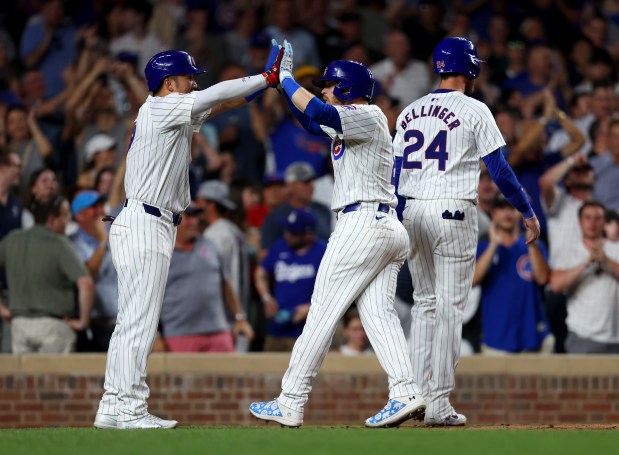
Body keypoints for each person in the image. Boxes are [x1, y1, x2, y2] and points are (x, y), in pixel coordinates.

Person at [94, 45, 284, 430]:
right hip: (147, 222)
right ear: (169, 83)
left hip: (147, 222)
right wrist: (264, 77)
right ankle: (130, 407)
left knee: (130, 321)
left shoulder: (169, 112)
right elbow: (213, 95)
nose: (194, 81)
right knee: (139, 322)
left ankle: (112, 405)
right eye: (188, 76)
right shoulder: (162, 107)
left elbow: (220, 105)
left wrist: (263, 87)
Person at [250, 41, 425, 429]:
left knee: (321, 315)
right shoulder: (351, 121)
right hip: (381, 227)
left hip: (363, 225)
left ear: (347, 88)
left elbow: (317, 109)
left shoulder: (368, 114)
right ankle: (406, 391)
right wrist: (282, 87)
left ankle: (291, 400)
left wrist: (290, 80)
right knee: (378, 315)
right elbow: (312, 120)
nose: (324, 89)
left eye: (329, 84)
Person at [393, 37, 540, 426]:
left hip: (410, 211)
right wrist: (526, 210)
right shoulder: (475, 108)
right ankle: (438, 404)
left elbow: (394, 177)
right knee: (449, 308)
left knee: (424, 305)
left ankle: (415, 398)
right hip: (452, 209)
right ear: (470, 69)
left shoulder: (409, 110)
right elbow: (500, 170)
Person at [0, 196, 94, 354]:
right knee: (56, 379)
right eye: (64, 216)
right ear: (51, 219)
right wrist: (83, 322)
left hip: (19, 325)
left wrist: (2, 308)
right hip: (53, 327)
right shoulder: (59, 243)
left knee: (24, 379)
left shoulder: (11, 240)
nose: (67, 221)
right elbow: (86, 284)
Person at [160, 203, 253, 352]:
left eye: (196, 217)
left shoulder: (209, 245)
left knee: (228, 375)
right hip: (180, 334)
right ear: (172, 219)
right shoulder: (161, 252)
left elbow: (225, 284)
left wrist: (240, 319)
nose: (194, 222)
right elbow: (150, 296)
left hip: (218, 331)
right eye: (188, 217)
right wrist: (156, 335)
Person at [473, 193, 553, 354]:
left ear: (521, 213)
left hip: (533, 336)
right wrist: (493, 245)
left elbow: (543, 278)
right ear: (494, 213)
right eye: (502, 208)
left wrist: (531, 245)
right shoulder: (482, 247)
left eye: (513, 207)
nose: (507, 213)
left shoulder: (535, 246)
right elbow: (472, 280)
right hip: (497, 337)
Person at [549, 202, 619, 354]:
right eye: (588, 218)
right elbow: (555, 285)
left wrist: (606, 261)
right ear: (580, 222)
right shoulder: (569, 252)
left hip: (616, 338)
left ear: (605, 222)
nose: (592, 223)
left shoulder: (616, 249)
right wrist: (586, 262)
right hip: (582, 336)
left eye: (598, 218)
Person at [254, 208, 327, 352]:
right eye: (286, 230)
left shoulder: (323, 251)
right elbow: (260, 272)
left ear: (309, 235)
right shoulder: (280, 246)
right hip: (277, 329)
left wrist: (313, 308)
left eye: (293, 233)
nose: (287, 235)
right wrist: (266, 297)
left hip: (309, 333)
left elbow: (337, 290)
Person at [69, 190, 118, 352]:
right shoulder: (73, 243)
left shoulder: (116, 237)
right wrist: (103, 242)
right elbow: (87, 273)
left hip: (121, 323)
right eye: (93, 207)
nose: (100, 211)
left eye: (100, 206)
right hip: (96, 326)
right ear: (79, 216)